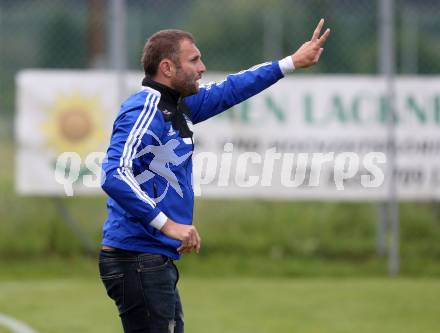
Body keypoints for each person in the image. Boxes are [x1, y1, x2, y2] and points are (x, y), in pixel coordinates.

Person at [99, 19, 330, 333]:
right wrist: (167, 225)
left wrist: (289, 63)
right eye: (194, 60)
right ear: (167, 67)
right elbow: (114, 174)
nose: (202, 67)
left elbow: (232, 88)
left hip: (148, 257)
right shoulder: (145, 109)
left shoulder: (179, 106)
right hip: (136, 257)